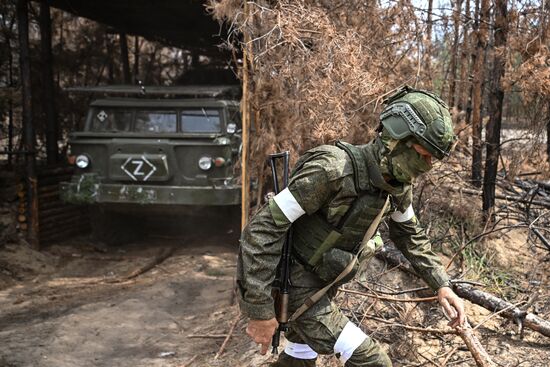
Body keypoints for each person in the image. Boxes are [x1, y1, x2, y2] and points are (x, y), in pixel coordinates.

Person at [237, 86, 466, 366]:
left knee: (299, 360)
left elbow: (410, 236)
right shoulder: (332, 170)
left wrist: (441, 284)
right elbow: (261, 231)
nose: (428, 165)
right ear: (396, 140)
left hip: (324, 287)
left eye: (434, 158)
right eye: (423, 154)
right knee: (373, 362)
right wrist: (259, 310)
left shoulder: (396, 186)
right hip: (295, 289)